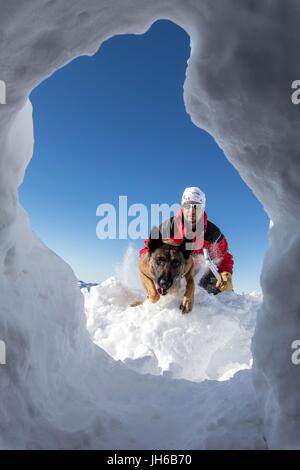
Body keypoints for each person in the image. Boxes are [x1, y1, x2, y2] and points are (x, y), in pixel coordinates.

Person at [140, 187, 234, 294]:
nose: (192, 211)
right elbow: (147, 250)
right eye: (187, 206)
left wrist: (226, 275)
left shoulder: (212, 234)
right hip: (174, 271)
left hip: (202, 274)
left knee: (214, 295)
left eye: (197, 207)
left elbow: (224, 257)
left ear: (202, 208)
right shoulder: (167, 228)